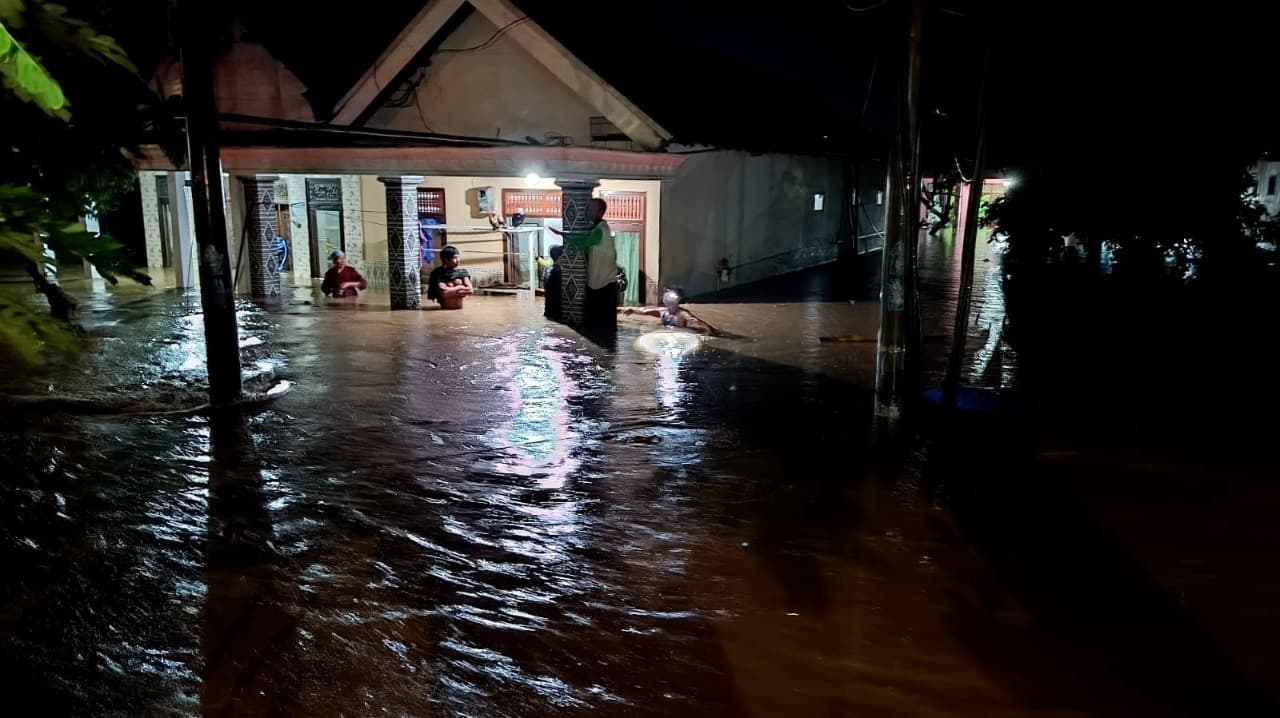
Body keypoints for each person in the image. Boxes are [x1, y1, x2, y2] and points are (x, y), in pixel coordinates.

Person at [548, 198, 615, 329]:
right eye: (588, 209)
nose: (588, 212)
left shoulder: (600, 231)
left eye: (592, 209)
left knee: (600, 326)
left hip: (603, 285)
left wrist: (562, 234)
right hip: (600, 283)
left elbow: (582, 242)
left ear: (601, 212)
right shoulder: (597, 228)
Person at [621, 289, 717, 334]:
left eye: (673, 304)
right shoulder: (662, 312)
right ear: (666, 303)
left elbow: (698, 322)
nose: (672, 307)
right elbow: (644, 311)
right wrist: (632, 310)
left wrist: (709, 331)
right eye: (669, 304)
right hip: (667, 333)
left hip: (681, 333)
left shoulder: (683, 314)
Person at [426, 244, 473, 310]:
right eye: (454, 258)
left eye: (458, 257)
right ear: (446, 259)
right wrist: (460, 287)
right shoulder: (438, 274)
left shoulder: (462, 272)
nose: (458, 260)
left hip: (459, 311)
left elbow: (470, 290)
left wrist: (452, 290)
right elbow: (444, 293)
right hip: (443, 312)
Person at [543, 244, 564, 321]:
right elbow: (558, 291)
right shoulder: (557, 271)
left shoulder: (548, 269)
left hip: (549, 310)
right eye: (563, 256)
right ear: (559, 257)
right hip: (555, 312)